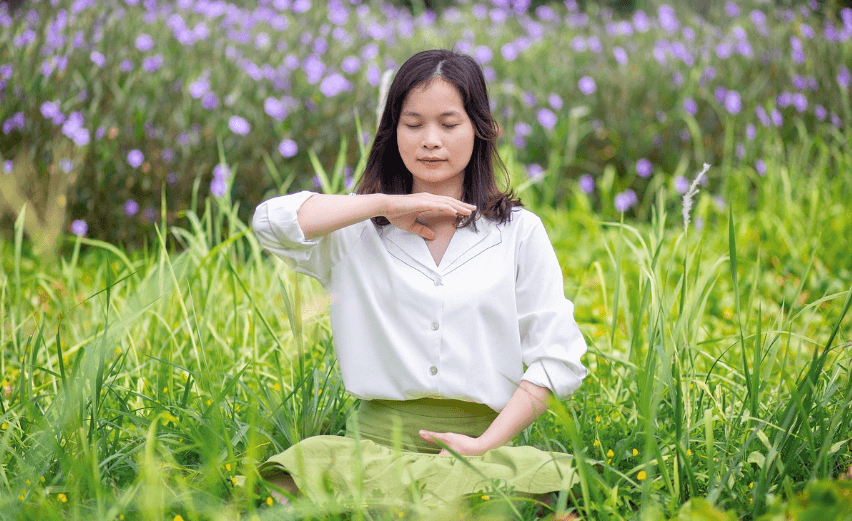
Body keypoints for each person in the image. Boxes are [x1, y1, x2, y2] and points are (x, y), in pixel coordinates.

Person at [251, 49, 588, 514]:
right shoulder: (357, 231)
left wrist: (485, 444)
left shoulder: (518, 234)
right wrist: (381, 205)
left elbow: (556, 358)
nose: (430, 141)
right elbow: (271, 222)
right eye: (413, 125)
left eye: (449, 124)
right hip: (367, 454)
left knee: (564, 503)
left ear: (480, 130)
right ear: (393, 133)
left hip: (484, 453)